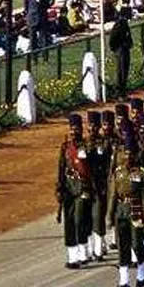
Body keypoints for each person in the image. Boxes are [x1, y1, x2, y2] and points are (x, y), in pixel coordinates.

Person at [106, 133, 144, 287]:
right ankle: (123, 280)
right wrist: (109, 216)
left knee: (137, 244)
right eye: (125, 153)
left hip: (136, 210)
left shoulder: (140, 172)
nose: (128, 156)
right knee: (122, 245)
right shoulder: (118, 172)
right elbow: (113, 195)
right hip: (121, 210)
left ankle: (142, 271)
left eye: (131, 153)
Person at [56, 113, 93, 268]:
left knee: (80, 220)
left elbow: (89, 169)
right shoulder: (65, 147)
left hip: (82, 189)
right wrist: (59, 188)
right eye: (71, 129)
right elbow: (61, 168)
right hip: (68, 189)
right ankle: (72, 256)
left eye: (76, 128)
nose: (73, 132)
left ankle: (83, 251)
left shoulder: (86, 146)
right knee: (69, 223)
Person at [108, 6, 133, 95]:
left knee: (125, 70)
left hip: (124, 49)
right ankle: (120, 91)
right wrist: (115, 49)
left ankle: (123, 90)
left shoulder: (124, 23)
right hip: (121, 50)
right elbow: (112, 38)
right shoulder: (120, 24)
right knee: (121, 71)